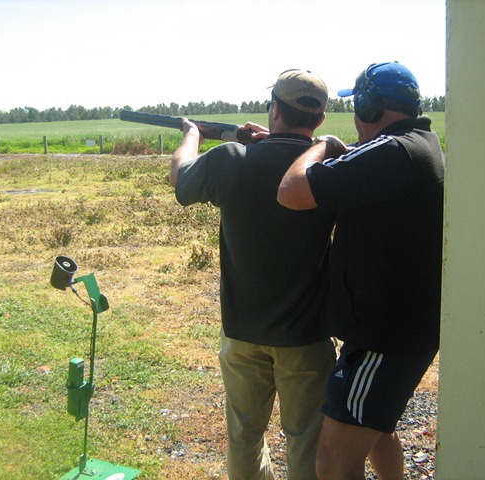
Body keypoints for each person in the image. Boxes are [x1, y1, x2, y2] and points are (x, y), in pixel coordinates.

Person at [277, 61, 444, 480]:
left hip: (381, 338)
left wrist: (321, 146)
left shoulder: (389, 151)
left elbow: (291, 192)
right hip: (402, 328)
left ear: (369, 106)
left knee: (333, 459)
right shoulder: (419, 143)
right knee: (377, 433)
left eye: (358, 105)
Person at [170, 69, 337, 480]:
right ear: (317, 120)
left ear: (274, 108)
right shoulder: (329, 167)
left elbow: (180, 178)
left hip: (242, 331)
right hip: (307, 336)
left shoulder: (230, 160)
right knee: (304, 439)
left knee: (244, 437)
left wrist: (193, 133)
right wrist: (288, 143)